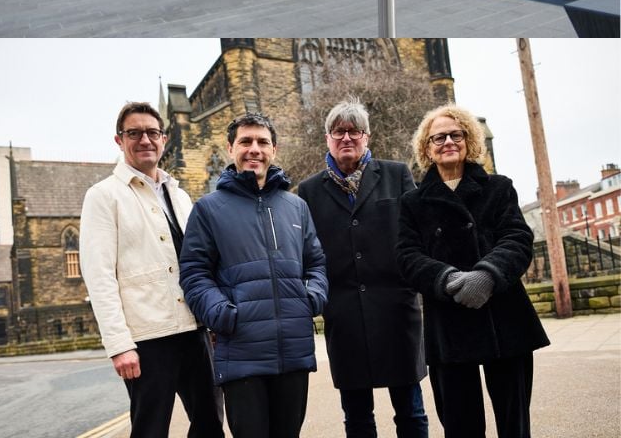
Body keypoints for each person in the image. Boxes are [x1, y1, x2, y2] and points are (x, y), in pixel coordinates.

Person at [397, 104, 549, 438]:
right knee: (460, 425)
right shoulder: (413, 202)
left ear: (469, 140)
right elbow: (407, 257)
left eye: (457, 134)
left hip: (504, 319)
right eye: (439, 137)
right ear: (427, 148)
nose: (448, 142)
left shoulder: (499, 188)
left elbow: (517, 238)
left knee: (514, 424)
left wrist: (487, 275)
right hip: (448, 324)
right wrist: (447, 279)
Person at [81, 102, 224, 438]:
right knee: (150, 430)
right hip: (146, 339)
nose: (144, 140)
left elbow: (200, 262)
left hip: (195, 330)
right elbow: (99, 276)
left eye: (152, 132)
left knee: (210, 426)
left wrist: (213, 318)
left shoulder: (180, 195)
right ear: (119, 140)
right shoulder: (103, 196)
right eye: (134, 133)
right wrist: (119, 345)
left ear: (164, 139)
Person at [180, 112, 327, 438]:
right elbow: (194, 273)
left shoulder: (296, 206)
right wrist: (222, 314)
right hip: (242, 353)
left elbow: (316, 263)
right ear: (231, 148)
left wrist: (311, 298)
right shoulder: (208, 209)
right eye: (245, 141)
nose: (254, 149)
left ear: (274, 149)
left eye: (262, 142)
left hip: (293, 351)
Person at [297, 97, 428, 438]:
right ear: (327, 138)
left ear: (366, 137)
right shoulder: (309, 191)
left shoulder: (396, 174)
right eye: (338, 131)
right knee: (357, 417)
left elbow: (418, 236)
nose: (346, 138)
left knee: (411, 411)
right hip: (345, 318)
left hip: (397, 312)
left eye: (354, 131)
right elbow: (307, 254)